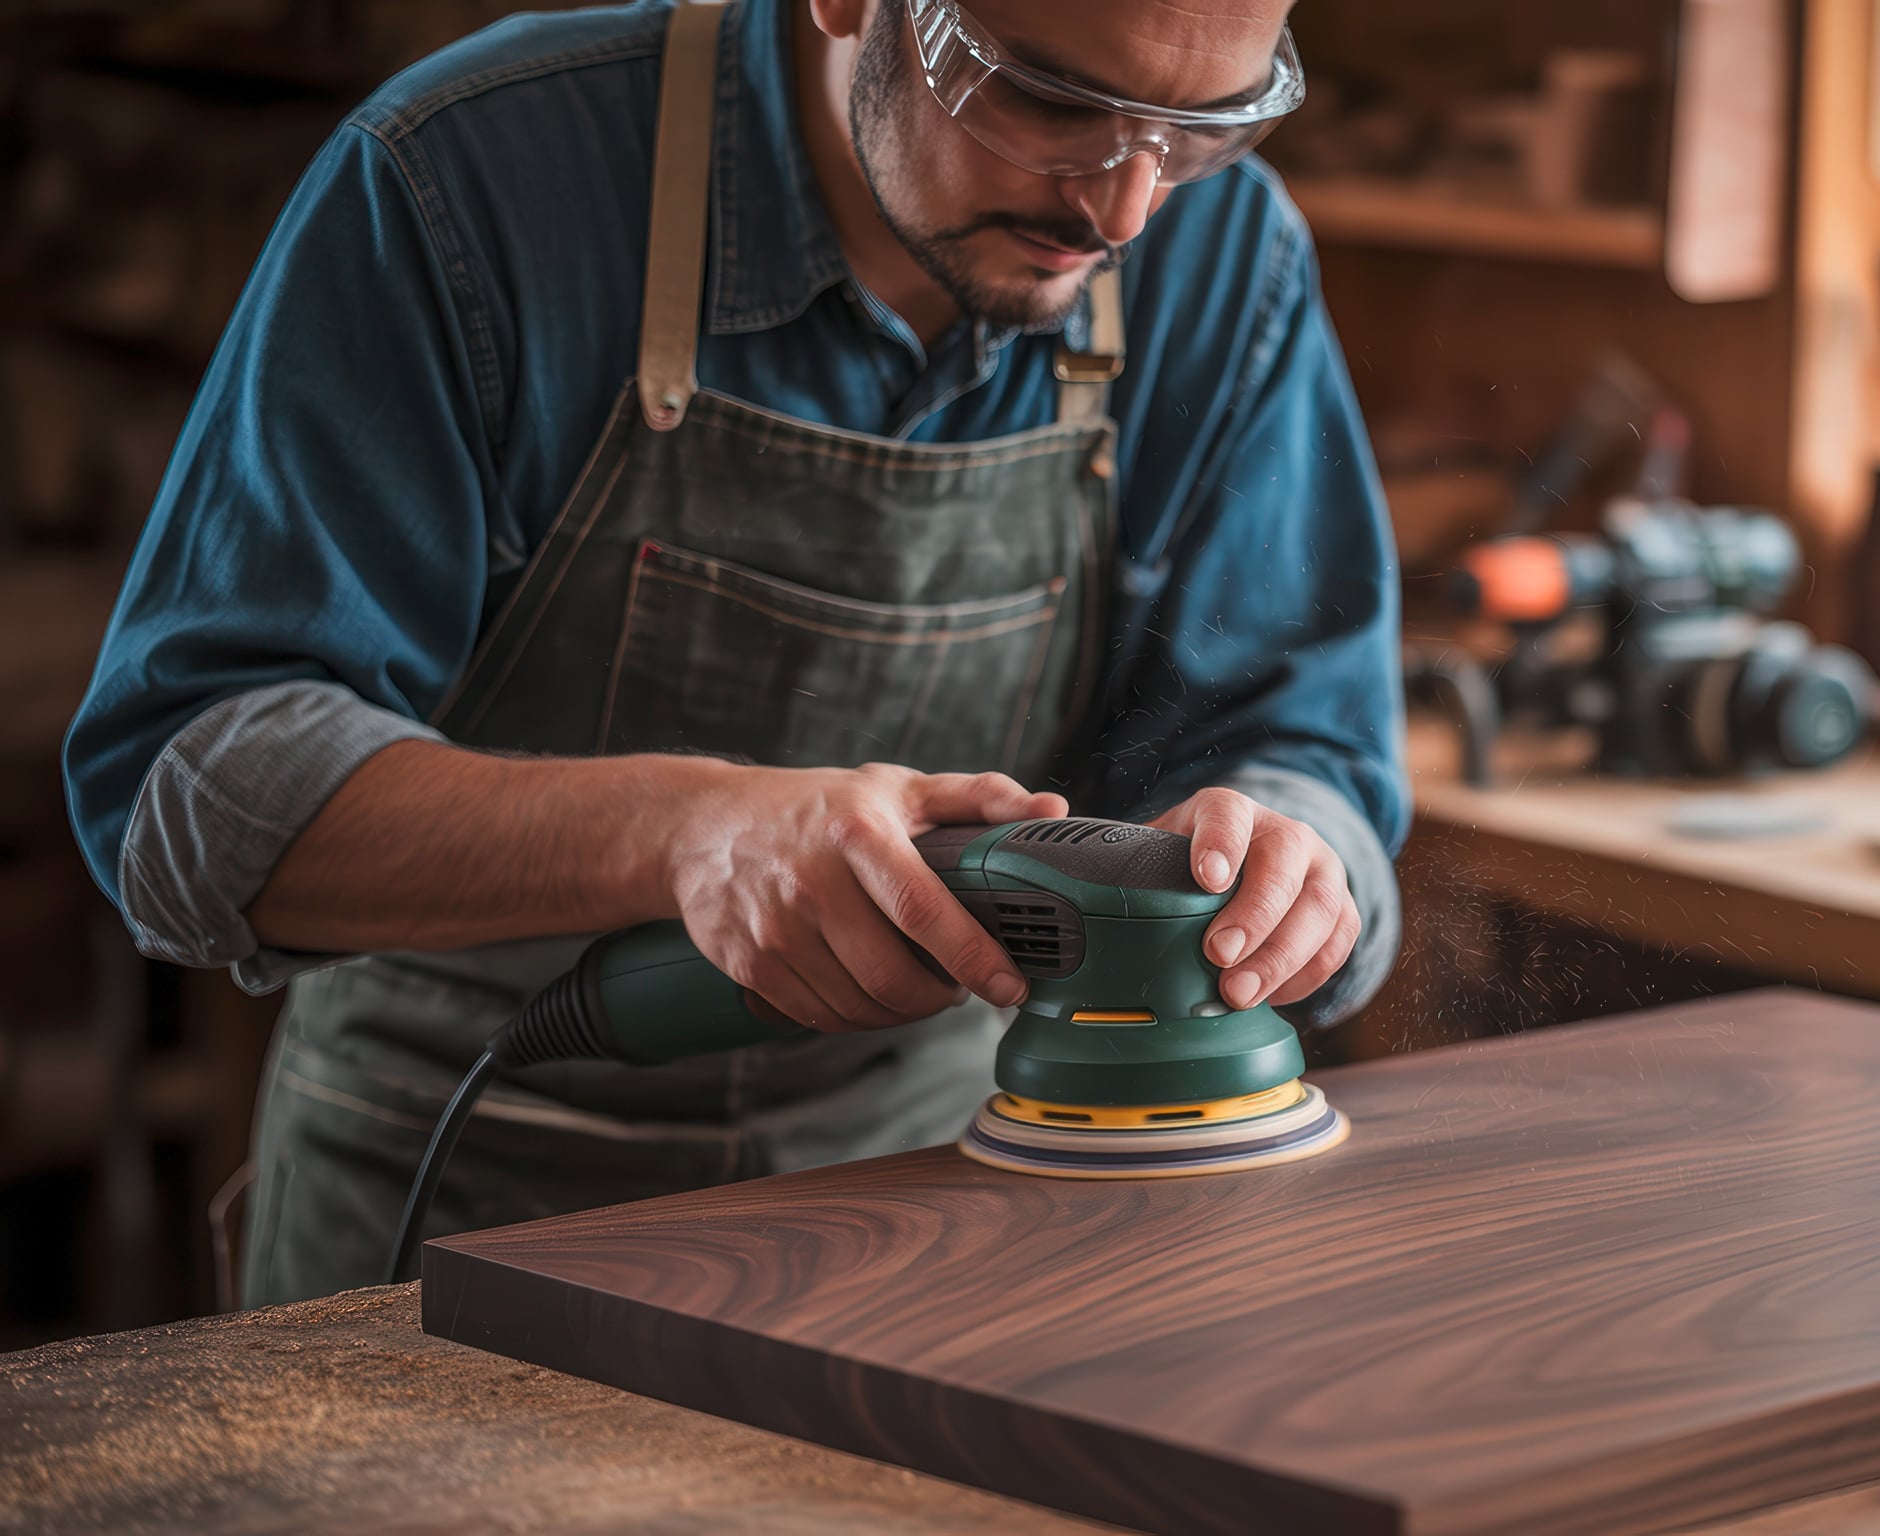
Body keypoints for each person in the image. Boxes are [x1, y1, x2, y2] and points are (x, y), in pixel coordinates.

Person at [62, 0, 1405, 1305]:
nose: (1121, 212)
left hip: (938, 1207)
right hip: (458, 1209)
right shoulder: (471, 178)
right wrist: (681, 833)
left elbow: (1308, 750)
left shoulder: (1221, 251)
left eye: (1202, 123)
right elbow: (190, 802)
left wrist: (1291, 858)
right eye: (1050, 100)